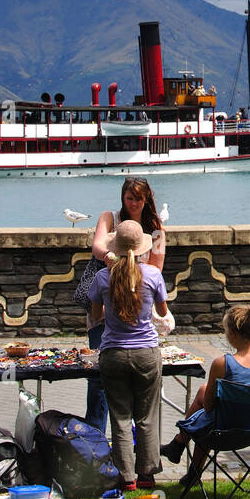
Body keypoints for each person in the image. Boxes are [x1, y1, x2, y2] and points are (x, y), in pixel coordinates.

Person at [81, 220, 168, 491]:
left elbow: (95, 316)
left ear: (115, 248)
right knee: (146, 417)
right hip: (146, 353)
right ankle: (147, 474)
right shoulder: (152, 274)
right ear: (141, 248)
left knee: (119, 417)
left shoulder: (103, 277)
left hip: (114, 353)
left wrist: (114, 310)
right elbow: (163, 312)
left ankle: (126, 476)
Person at [160, 302, 250, 486]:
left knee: (205, 413)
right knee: (208, 413)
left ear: (232, 334)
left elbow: (208, 407)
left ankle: (179, 446)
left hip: (223, 433)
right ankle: (184, 458)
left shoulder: (222, 364)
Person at [84, 179, 167, 432]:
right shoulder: (110, 218)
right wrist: (111, 258)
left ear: (147, 199)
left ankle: (129, 436)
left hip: (136, 310)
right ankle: (96, 434)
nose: (133, 203)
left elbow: (157, 266)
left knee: (131, 380)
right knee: (98, 376)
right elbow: (98, 245)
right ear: (123, 197)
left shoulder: (156, 229)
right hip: (106, 304)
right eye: (129, 198)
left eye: (138, 198)